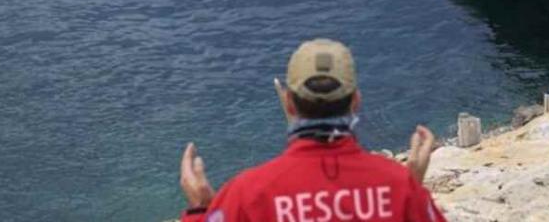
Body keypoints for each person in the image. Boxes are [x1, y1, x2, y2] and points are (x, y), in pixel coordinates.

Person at [178, 39, 447, 222]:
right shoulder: (400, 187)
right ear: (355, 101)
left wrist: (201, 208)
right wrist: (410, 190)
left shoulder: (247, 194)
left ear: (288, 103)